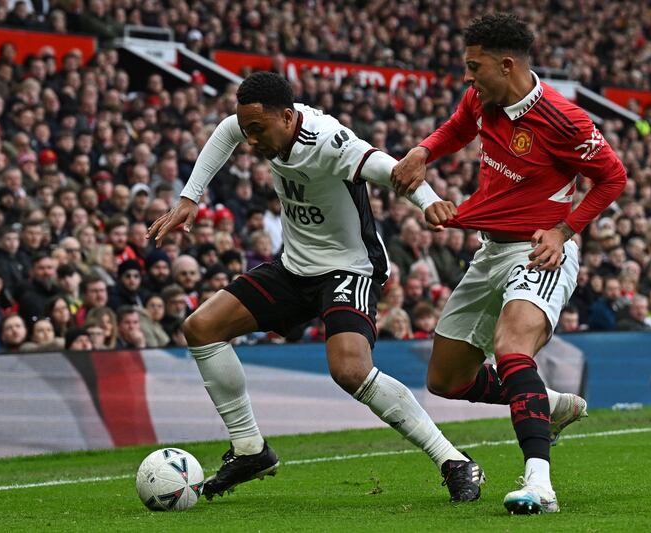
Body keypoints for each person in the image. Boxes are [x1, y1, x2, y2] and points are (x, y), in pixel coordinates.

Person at [147, 71, 484, 503]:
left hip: (350, 268)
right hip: (296, 266)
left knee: (349, 370)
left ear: (288, 117)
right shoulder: (253, 122)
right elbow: (225, 133)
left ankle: (453, 461)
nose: (250, 140)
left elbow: (382, 166)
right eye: (247, 129)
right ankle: (250, 449)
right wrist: (189, 198)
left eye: (258, 130)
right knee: (201, 328)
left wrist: (428, 201)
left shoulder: (328, 141)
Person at [391, 13, 627, 514]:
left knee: (511, 346)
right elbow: (459, 126)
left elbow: (613, 178)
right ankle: (546, 401)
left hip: (539, 249)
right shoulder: (481, 98)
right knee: (446, 380)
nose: (468, 78)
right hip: (490, 250)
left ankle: (539, 483)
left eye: (475, 67)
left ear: (507, 63)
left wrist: (565, 230)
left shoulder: (566, 120)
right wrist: (423, 150)